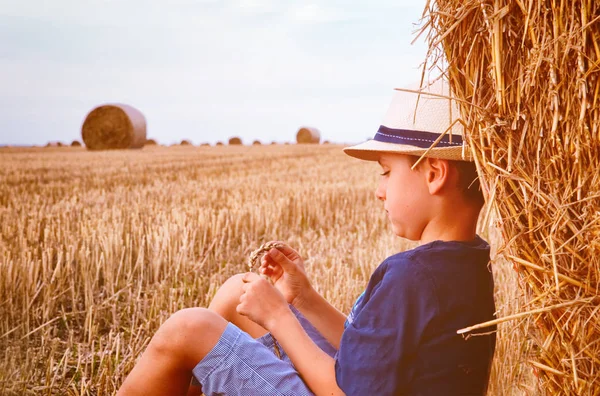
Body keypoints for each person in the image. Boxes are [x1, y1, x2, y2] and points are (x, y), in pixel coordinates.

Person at [117, 78, 497, 396]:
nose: (378, 191)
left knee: (189, 329)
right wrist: (304, 298)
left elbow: (347, 390)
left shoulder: (410, 276)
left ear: (433, 173)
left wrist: (280, 316)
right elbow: (370, 353)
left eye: (385, 172)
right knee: (238, 291)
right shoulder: (469, 261)